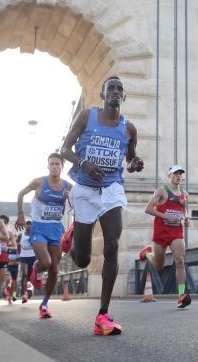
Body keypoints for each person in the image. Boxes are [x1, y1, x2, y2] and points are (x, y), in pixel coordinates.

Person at [60, 76, 144, 335]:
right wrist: (83, 163)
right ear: (103, 94)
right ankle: (72, 238)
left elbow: (129, 159)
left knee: (112, 244)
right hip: (84, 189)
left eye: (120, 89)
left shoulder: (129, 128)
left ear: (124, 96)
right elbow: (64, 149)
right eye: (112, 88)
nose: (116, 92)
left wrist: (134, 164)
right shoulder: (87, 116)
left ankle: (103, 315)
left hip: (111, 189)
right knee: (83, 259)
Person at [15, 153, 72, 319]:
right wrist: (20, 214)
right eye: (52, 164)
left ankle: (45, 304)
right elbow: (20, 193)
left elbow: (79, 201)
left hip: (56, 229)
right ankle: (37, 268)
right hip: (39, 227)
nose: (54, 167)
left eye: (57, 164)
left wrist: (71, 199)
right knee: (46, 262)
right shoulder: (39, 182)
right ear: (48, 166)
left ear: (62, 167)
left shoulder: (68, 186)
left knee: (54, 268)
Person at [144, 165, 191, 309]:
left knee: (180, 259)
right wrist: (167, 217)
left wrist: (186, 218)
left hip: (176, 232)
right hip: (161, 232)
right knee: (159, 266)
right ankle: (147, 254)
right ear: (169, 175)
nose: (178, 176)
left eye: (180, 174)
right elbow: (148, 209)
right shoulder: (161, 191)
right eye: (175, 173)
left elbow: (184, 210)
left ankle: (181, 295)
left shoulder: (185, 194)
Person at [0, 215, 16, 308]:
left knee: (0, 281)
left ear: (6, 223)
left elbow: (14, 247)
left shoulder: (10, 234)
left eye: (3, 222)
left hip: (3, 258)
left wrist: (7, 248)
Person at [17, 219, 36, 303]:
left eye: (30, 224)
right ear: (25, 225)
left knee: (29, 276)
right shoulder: (21, 235)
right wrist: (19, 253)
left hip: (32, 257)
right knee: (24, 274)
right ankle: (24, 293)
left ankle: (29, 292)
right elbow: (17, 243)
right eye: (27, 224)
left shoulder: (35, 234)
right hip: (23, 257)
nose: (28, 226)